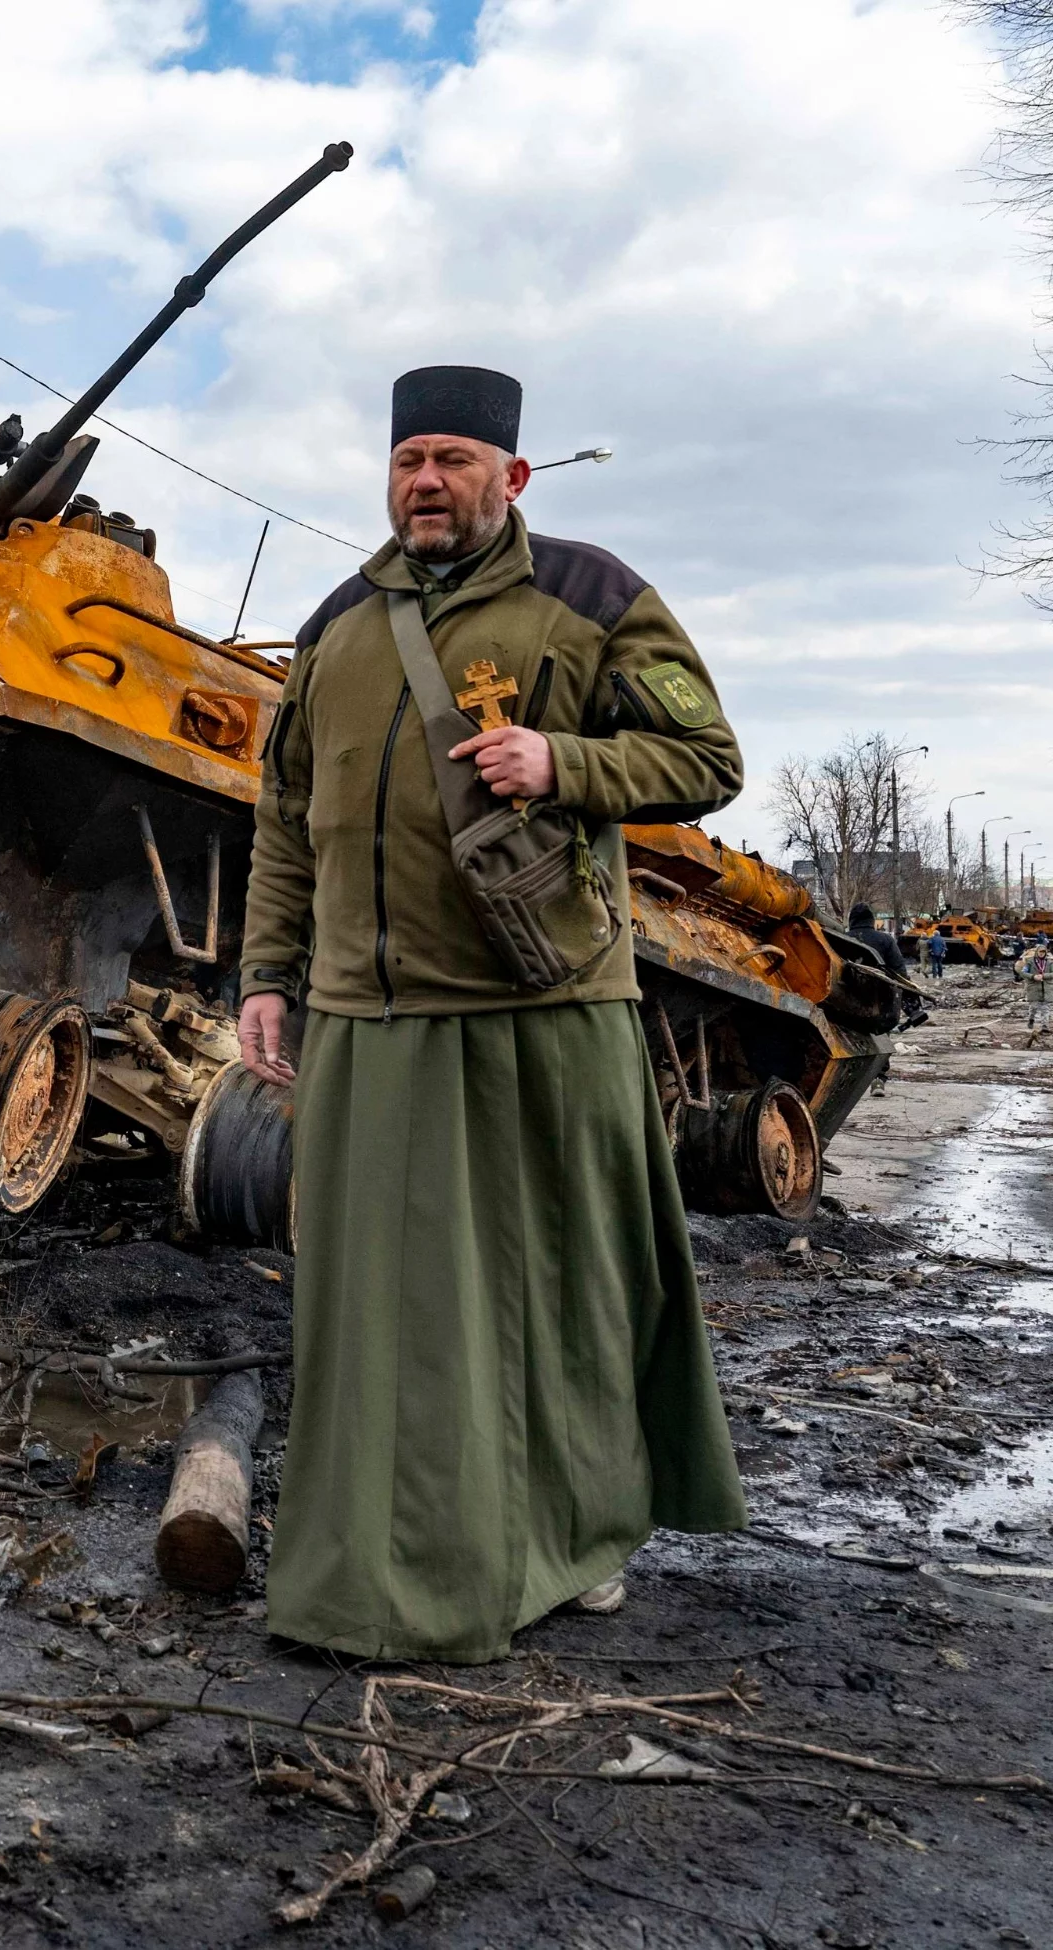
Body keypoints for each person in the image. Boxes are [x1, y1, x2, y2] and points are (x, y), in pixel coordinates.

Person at [237, 364, 748, 1665]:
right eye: (410, 459)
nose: (426, 481)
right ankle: (387, 1564)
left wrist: (562, 762)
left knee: (563, 1292)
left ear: (509, 478)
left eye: (454, 459)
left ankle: (581, 1541)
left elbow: (709, 759)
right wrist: (265, 973)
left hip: (545, 1007)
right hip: (368, 1019)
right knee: (378, 1312)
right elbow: (287, 825)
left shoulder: (585, 597)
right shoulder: (337, 625)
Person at [849, 902, 908, 980]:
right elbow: (900, 971)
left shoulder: (840, 938)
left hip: (845, 989)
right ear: (872, 920)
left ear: (851, 921)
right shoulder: (886, 939)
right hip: (879, 989)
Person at [1023, 940, 1052, 1040]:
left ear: (1045, 953)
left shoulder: (1049, 963)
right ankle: (1031, 1019)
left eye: (1043, 952)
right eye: (1040, 952)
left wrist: (1044, 975)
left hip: (1046, 988)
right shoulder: (1030, 962)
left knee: (1046, 1009)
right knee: (1034, 1007)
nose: (1041, 954)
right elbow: (1023, 973)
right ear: (1037, 952)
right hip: (1034, 988)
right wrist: (1033, 976)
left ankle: (1045, 1027)